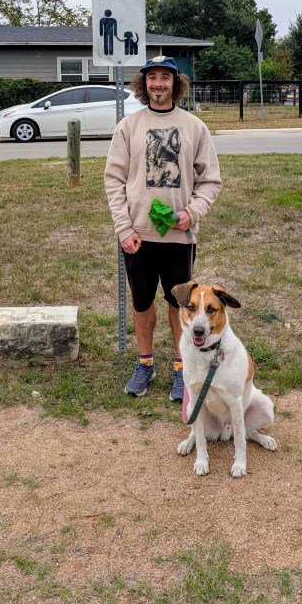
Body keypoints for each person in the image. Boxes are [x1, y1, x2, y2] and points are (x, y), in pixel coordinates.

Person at [104, 56, 222, 401]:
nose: (158, 83)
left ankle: (181, 367)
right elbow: (113, 181)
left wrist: (192, 212)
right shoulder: (128, 127)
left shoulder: (194, 127)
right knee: (142, 303)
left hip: (178, 238)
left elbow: (211, 180)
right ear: (144, 85)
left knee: (179, 304)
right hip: (137, 238)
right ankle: (145, 363)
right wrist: (124, 229)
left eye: (165, 77)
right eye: (152, 77)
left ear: (176, 83)